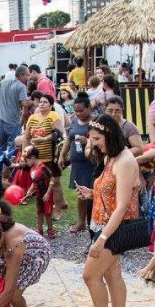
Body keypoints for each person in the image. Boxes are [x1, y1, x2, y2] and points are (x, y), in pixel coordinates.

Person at [76, 115, 140, 307]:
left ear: (110, 136)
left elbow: (123, 205)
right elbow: (112, 194)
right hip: (103, 224)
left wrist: (102, 238)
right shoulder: (110, 158)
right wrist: (92, 194)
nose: (93, 144)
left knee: (90, 275)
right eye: (91, 139)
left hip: (113, 229)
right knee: (112, 275)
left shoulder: (124, 161)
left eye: (96, 139)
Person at [20, 93, 65, 223]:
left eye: (45, 102)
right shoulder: (32, 118)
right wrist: (24, 154)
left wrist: (45, 138)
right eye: (40, 102)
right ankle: (42, 210)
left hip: (51, 156)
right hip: (36, 158)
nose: (42, 104)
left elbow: (59, 133)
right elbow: (27, 137)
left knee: (55, 183)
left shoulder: (53, 116)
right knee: (38, 185)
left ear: (51, 105)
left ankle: (57, 210)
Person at [59, 94, 94, 234]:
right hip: (78, 165)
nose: (78, 113)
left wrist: (88, 142)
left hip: (91, 164)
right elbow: (68, 139)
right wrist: (62, 155)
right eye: (76, 110)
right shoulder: (74, 121)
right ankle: (81, 223)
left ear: (89, 108)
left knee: (92, 194)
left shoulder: (95, 122)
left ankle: (94, 222)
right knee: (80, 194)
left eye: (81, 110)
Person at [0, 65, 31, 152]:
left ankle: (1, 165)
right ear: (21, 75)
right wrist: (34, 101)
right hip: (13, 122)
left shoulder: (4, 82)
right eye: (27, 75)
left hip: (0, 121)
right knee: (13, 150)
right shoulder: (21, 86)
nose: (29, 77)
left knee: (0, 149)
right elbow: (24, 103)